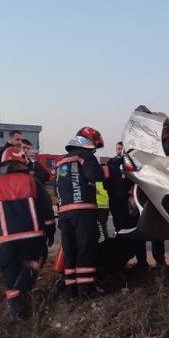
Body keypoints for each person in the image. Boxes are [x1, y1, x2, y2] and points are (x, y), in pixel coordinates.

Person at [0, 147, 55, 320]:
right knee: (33, 263)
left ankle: (17, 312)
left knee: (10, 274)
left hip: (7, 240)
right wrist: (50, 232)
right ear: (23, 162)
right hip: (34, 237)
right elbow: (46, 210)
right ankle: (22, 292)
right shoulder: (32, 181)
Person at [56, 126, 104, 298]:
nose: (95, 151)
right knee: (86, 250)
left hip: (65, 214)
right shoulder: (86, 157)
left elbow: (58, 189)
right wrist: (107, 171)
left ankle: (72, 292)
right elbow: (94, 176)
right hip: (83, 212)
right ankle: (86, 291)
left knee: (71, 252)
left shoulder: (61, 161)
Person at [105, 141, 134, 234]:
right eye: (118, 149)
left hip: (125, 196)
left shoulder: (128, 162)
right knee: (116, 218)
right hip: (113, 196)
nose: (119, 151)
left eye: (121, 149)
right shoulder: (111, 162)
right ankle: (118, 234)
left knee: (127, 219)